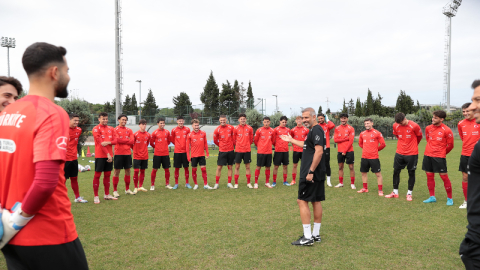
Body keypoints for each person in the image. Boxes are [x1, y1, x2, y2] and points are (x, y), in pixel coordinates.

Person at [0, 42, 88, 269]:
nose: (68, 77)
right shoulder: (51, 112)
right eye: (67, 71)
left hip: (10, 237)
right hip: (48, 233)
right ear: (54, 72)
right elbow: (45, 181)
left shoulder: (8, 112)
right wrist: (17, 221)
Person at [280, 107, 325, 246]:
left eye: (306, 117)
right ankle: (315, 234)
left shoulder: (316, 129)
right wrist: (291, 140)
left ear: (314, 117)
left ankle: (307, 237)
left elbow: (319, 152)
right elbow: (307, 146)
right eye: (303, 118)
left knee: (301, 201)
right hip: (317, 172)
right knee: (316, 201)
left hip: (311, 173)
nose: (304, 120)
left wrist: (310, 171)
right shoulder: (313, 131)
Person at [459, 79, 480, 268]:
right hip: (467, 155)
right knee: (466, 178)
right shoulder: (461, 124)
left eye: (478, 100)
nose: (472, 107)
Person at [385, 113, 423, 201]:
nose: (400, 125)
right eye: (399, 123)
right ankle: (395, 192)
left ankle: (409, 193)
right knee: (396, 171)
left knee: (411, 172)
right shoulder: (395, 125)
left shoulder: (414, 126)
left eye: (402, 123)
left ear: (405, 118)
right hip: (399, 152)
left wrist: (413, 145)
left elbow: (419, 137)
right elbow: (397, 135)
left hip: (412, 153)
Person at [422, 110, 454, 205]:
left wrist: (442, 153)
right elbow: (428, 140)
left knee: (444, 177)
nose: (433, 119)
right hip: (428, 155)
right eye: (433, 117)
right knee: (429, 176)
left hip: (439, 157)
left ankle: (450, 198)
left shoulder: (447, 130)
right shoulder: (428, 128)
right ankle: (432, 197)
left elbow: (450, 145)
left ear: (442, 119)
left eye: (435, 118)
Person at [92, 112, 118, 204]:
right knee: (97, 175)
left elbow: (115, 141)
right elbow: (100, 143)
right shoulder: (95, 129)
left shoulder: (111, 128)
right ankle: (96, 196)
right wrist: (108, 154)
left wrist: (108, 143)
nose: (105, 120)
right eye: (103, 118)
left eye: (106, 118)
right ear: (99, 119)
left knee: (107, 175)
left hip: (109, 156)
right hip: (100, 156)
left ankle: (107, 194)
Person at [458, 103, 480, 209]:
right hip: (465, 154)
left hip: (477, 155)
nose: (465, 113)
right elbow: (463, 138)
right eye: (463, 111)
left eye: (467, 111)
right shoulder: (460, 123)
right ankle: (467, 201)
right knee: (465, 177)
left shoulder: (479, 122)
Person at [357, 118, 386, 196]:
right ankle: (365, 188)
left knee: (378, 174)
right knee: (363, 173)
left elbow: (383, 144)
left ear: (372, 123)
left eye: (368, 123)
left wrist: (375, 150)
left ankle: (380, 190)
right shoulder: (362, 133)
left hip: (374, 157)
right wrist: (366, 149)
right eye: (365, 123)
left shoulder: (377, 133)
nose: (366, 125)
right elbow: (360, 144)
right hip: (364, 157)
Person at [64, 113, 87, 203]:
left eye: (78, 120)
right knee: (62, 181)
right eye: (75, 120)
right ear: (69, 120)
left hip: (74, 158)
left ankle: (77, 197)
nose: (77, 122)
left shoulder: (79, 130)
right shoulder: (62, 129)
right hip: (64, 159)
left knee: (74, 178)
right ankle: (60, 199)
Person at [187, 119, 213, 190]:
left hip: (201, 155)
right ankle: (196, 184)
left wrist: (207, 153)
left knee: (203, 169)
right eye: (195, 125)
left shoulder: (203, 133)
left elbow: (205, 144)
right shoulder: (189, 135)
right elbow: (187, 147)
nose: (197, 126)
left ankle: (206, 184)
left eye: (198, 125)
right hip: (194, 156)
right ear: (192, 126)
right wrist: (188, 157)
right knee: (194, 170)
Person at [112, 114, 134, 197]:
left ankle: (127, 189)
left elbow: (132, 141)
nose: (124, 121)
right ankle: (115, 190)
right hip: (118, 153)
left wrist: (124, 140)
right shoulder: (115, 130)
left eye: (125, 120)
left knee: (128, 171)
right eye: (122, 120)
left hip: (127, 153)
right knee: (116, 171)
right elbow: (117, 140)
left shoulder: (129, 130)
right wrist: (127, 140)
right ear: (118, 120)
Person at [333, 113, 356, 189]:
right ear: (340, 119)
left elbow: (351, 141)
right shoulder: (337, 128)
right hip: (340, 151)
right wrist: (345, 139)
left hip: (349, 151)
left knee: (351, 167)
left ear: (347, 119)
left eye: (345, 118)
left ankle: (352, 184)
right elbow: (335, 140)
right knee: (340, 167)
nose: (343, 120)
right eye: (342, 118)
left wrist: (345, 151)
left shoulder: (351, 128)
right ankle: (341, 183)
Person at [213, 115, 235, 189]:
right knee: (219, 167)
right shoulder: (217, 129)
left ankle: (229, 183)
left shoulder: (231, 128)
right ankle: (216, 183)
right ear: (219, 120)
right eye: (221, 120)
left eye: (224, 120)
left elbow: (234, 137)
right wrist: (221, 145)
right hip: (222, 151)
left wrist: (232, 144)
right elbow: (215, 140)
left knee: (230, 167)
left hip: (231, 150)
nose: (223, 121)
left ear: (226, 120)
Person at [150, 118, 172, 190]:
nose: (162, 124)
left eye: (163, 123)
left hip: (165, 154)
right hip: (157, 154)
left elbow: (169, 141)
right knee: (155, 169)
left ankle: (167, 184)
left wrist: (164, 146)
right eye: (161, 123)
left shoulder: (167, 132)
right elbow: (151, 142)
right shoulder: (154, 132)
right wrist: (157, 147)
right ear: (158, 124)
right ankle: (152, 185)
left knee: (167, 169)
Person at [233, 113, 254, 188]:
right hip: (238, 150)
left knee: (247, 167)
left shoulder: (250, 128)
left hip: (247, 150)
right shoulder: (235, 128)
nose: (243, 120)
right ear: (239, 120)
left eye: (244, 119)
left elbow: (251, 139)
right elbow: (234, 140)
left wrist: (246, 144)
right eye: (241, 119)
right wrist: (239, 145)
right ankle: (236, 184)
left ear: (246, 119)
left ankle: (248, 183)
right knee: (237, 167)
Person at [254, 117, 275, 189]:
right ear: (263, 122)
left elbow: (273, 140)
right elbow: (255, 141)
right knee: (258, 167)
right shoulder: (259, 130)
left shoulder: (272, 130)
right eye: (265, 122)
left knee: (268, 167)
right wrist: (260, 147)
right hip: (261, 152)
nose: (266, 123)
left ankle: (267, 182)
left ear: (270, 122)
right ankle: (256, 183)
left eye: (268, 122)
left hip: (269, 152)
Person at [170, 116, 191, 189]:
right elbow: (172, 140)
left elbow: (189, 139)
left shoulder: (187, 129)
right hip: (177, 152)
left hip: (185, 152)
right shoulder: (174, 130)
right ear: (177, 122)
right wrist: (178, 145)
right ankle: (176, 183)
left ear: (184, 121)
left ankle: (187, 183)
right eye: (179, 121)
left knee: (186, 167)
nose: (181, 122)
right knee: (177, 168)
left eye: (182, 121)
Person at [132, 119, 151, 193]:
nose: (144, 125)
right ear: (139, 125)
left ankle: (141, 186)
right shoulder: (135, 134)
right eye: (142, 124)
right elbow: (131, 144)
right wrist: (136, 150)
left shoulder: (148, 134)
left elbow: (147, 143)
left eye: (145, 124)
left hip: (145, 156)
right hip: (136, 156)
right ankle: (135, 187)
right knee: (136, 171)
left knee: (142, 171)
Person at [272, 116, 291, 187]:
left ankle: (285, 181)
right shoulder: (276, 129)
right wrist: (277, 145)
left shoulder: (288, 130)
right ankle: (274, 182)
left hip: (285, 150)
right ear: (280, 122)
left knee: (285, 166)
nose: (284, 123)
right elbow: (273, 140)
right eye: (283, 122)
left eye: (285, 122)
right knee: (276, 166)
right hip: (278, 151)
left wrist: (285, 144)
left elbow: (289, 140)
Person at [290, 116, 309, 185]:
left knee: (305, 165)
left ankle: (304, 179)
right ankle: (293, 180)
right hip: (296, 150)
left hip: (304, 150)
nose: (299, 120)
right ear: (295, 121)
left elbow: (308, 140)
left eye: (300, 119)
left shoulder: (306, 130)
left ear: (302, 120)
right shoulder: (293, 130)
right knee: (295, 165)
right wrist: (294, 146)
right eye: (297, 119)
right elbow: (291, 139)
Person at [318, 113, 335, 187]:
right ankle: (319, 180)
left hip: (326, 147)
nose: (320, 120)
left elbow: (332, 125)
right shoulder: (317, 126)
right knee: (318, 164)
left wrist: (328, 120)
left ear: (324, 118)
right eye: (319, 119)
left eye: (322, 118)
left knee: (326, 164)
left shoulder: (327, 126)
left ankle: (328, 181)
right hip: (318, 147)